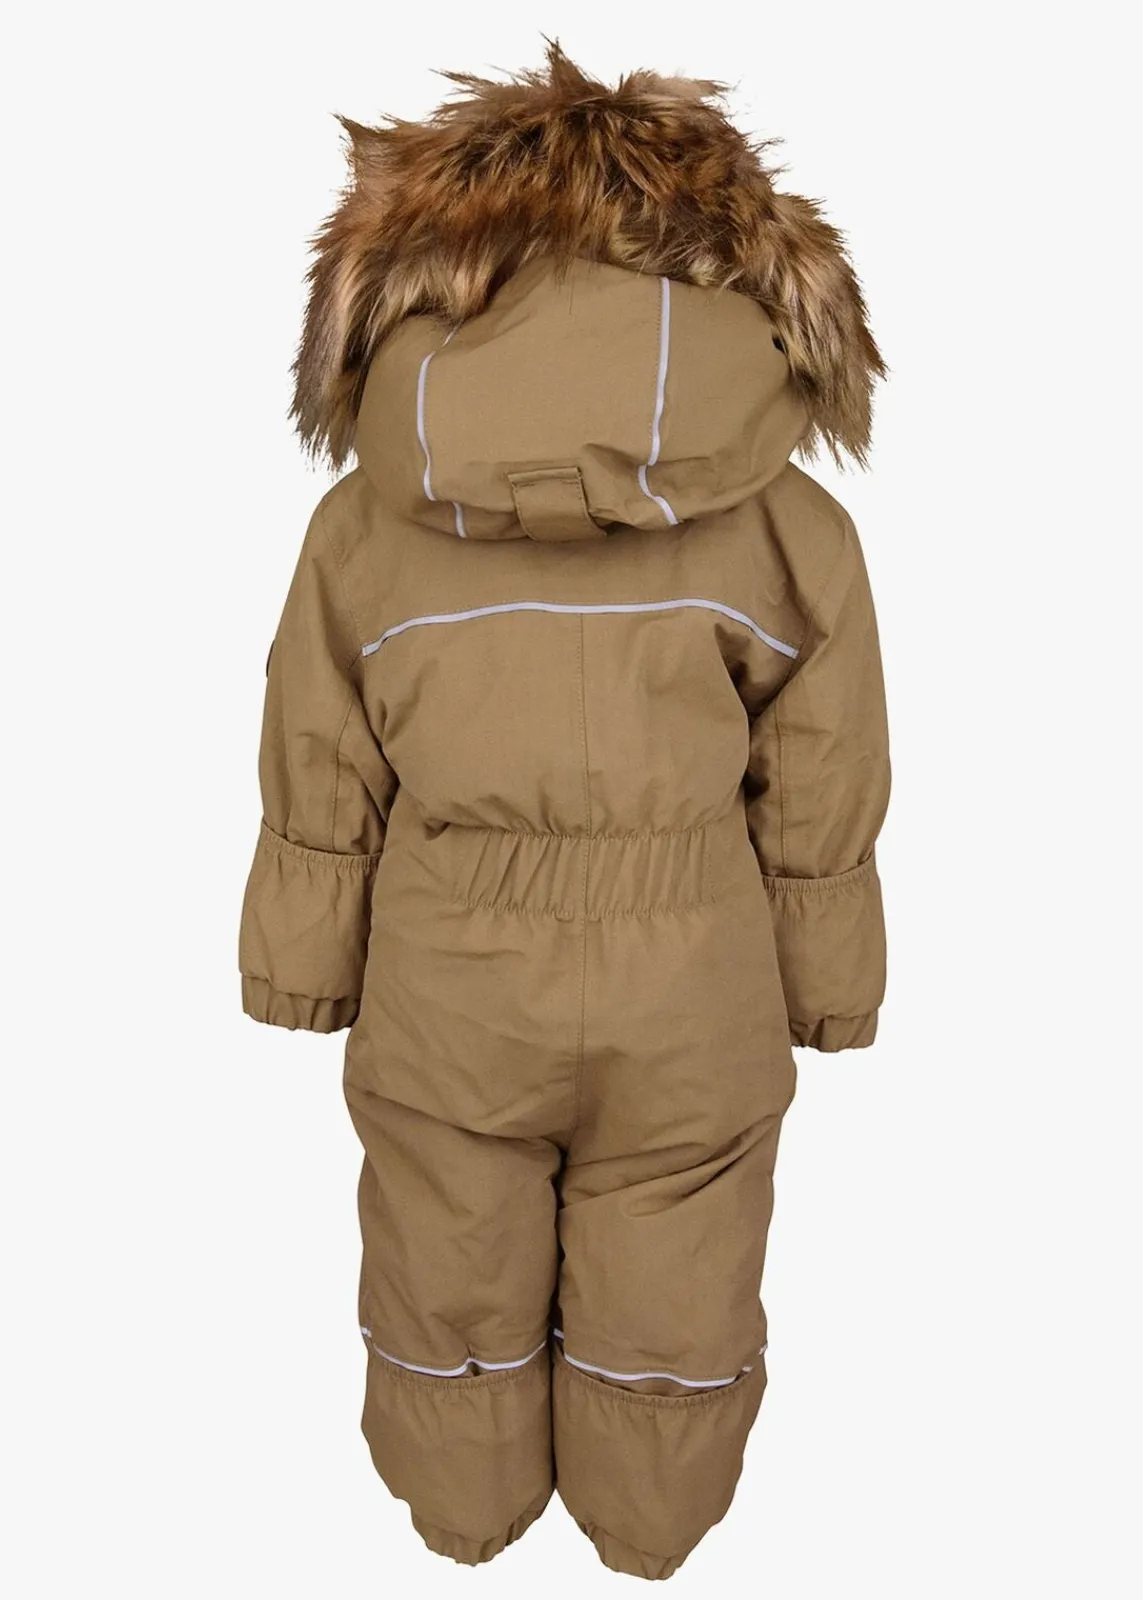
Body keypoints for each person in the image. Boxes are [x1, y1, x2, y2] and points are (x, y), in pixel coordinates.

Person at [239, 44, 890, 1580]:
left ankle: (459, 1513)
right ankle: (655, 1520)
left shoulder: (364, 524)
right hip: (696, 962)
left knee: (448, 1244)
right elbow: (823, 763)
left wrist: (304, 958)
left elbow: (319, 743)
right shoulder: (786, 524)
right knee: (679, 1251)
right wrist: (828, 979)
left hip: (451, 962)